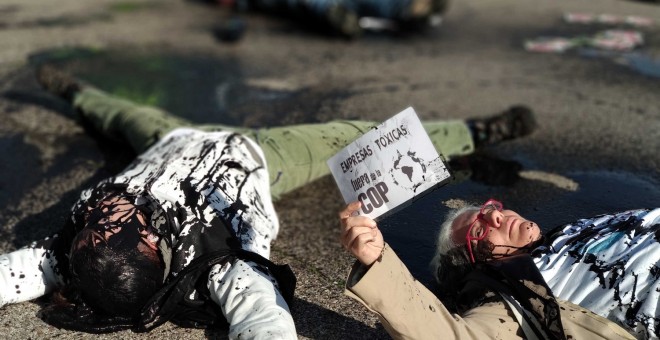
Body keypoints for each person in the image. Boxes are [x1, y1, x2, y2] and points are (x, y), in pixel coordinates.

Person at [0, 66, 535, 336]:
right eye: (118, 224)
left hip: (170, 137)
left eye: (97, 222)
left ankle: (72, 90)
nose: (101, 214)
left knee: (113, 113)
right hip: (260, 155)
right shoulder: (220, 266)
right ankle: (469, 133)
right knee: (358, 136)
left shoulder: (74, 252)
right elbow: (263, 320)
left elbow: (11, 271)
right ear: (149, 248)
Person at [339, 199, 660, 339]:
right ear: (475, 263)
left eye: (492, 210)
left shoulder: (568, 234)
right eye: (480, 232)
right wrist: (379, 258)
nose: (497, 216)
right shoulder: (511, 300)